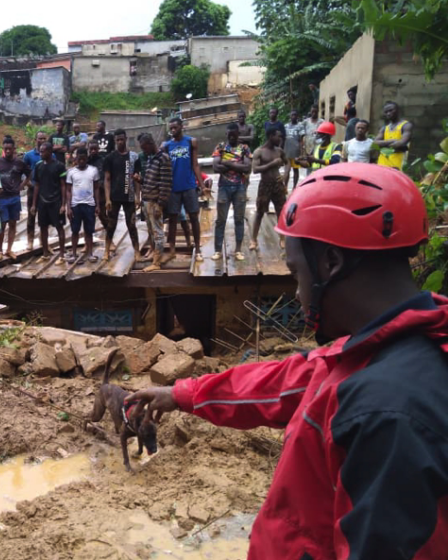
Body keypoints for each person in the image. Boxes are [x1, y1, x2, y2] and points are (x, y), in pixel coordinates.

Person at [128, 162, 448, 559]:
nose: (297, 293)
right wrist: (181, 393)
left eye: (296, 272)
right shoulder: (374, 352)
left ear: (330, 263)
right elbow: (277, 384)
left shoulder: (387, 414)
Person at [163, 117, 203, 263]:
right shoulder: (166, 146)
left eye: (175, 127)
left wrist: (202, 185)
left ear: (181, 127)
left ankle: (197, 248)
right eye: (171, 128)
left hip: (189, 186)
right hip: (173, 188)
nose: (173, 130)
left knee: (193, 217)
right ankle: (172, 249)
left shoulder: (190, 142)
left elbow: (195, 165)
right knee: (173, 219)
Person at [211, 123, 253, 261]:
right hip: (224, 187)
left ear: (238, 135)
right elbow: (216, 167)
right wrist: (238, 165)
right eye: (230, 135)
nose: (232, 138)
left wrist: (227, 163)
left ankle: (238, 250)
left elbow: (247, 168)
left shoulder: (245, 148)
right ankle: (217, 250)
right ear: (226, 135)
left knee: (239, 219)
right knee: (220, 220)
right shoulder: (220, 147)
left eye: (234, 135)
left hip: (240, 187)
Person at [103, 129, 141, 262]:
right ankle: (106, 250)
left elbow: (137, 179)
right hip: (114, 197)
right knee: (111, 226)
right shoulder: (109, 158)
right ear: (115, 141)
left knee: (131, 225)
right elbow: (107, 179)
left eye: (122, 139)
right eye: (117, 140)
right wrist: (107, 199)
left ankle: (137, 251)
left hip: (129, 196)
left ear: (126, 139)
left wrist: (138, 196)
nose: (120, 142)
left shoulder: (134, 157)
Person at [0, 136, 31, 259]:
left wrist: (22, 186)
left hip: (15, 198)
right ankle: (0, 250)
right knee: (2, 225)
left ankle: (9, 249)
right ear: (3, 149)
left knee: (13, 224)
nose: (8, 151)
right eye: (5, 149)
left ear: (14, 149)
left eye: (10, 149)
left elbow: (29, 175)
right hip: (1, 198)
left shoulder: (20, 163)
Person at [137, 133, 173, 272]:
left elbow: (166, 183)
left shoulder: (163, 158)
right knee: (151, 231)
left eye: (144, 147)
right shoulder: (152, 158)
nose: (143, 151)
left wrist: (161, 204)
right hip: (147, 201)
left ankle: (157, 263)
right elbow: (150, 181)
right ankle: (154, 255)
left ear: (150, 144)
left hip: (155, 202)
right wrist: (140, 181)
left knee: (158, 232)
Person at [251, 127, 288, 252]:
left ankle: (282, 238)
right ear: (271, 136)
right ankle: (253, 239)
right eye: (278, 136)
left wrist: (285, 175)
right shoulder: (259, 152)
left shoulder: (279, 150)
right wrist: (271, 164)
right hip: (265, 184)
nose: (280, 139)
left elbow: (287, 162)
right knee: (260, 212)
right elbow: (255, 169)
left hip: (277, 184)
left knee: (281, 211)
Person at [31, 142, 67, 262]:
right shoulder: (38, 166)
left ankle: (62, 255)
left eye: (43, 151)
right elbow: (36, 185)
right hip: (42, 202)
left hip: (56, 202)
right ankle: (45, 253)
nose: (40, 153)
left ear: (50, 152)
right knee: (43, 227)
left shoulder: (59, 166)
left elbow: (63, 186)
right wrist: (34, 204)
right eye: (40, 151)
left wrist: (63, 204)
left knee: (59, 227)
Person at [65, 147, 99, 263]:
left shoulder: (93, 171)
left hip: (89, 205)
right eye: (79, 158)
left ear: (87, 158)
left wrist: (97, 205)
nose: (82, 161)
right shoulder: (71, 172)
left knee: (89, 231)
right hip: (75, 205)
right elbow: (68, 191)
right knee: (75, 231)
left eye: (84, 158)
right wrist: (68, 207)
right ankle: (74, 254)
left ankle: (90, 254)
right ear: (76, 158)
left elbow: (96, 189)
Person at [23, 131, 55, 251]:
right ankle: (30, 241)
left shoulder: (52, 155)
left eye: (44, 138)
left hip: (45, 191)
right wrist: (28, 183)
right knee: (31, 216)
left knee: (45, 218)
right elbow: (23, 171)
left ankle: (43, 241)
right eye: (39, 138)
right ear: (35, 140)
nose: (41, 140)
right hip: (33, 190)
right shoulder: (29, 155)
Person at [375, 101, 413, 170]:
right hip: (383, 161)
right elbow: (375, 143)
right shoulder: (384, 128)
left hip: (398, 160)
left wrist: (383, 145)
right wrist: (393, 141)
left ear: (397, 110)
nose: (388, 113)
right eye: (386, 112)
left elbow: (402, 143)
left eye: (391, 110)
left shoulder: (406, 125)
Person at [87, 139, 108, 231]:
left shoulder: (103, 161)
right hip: (88, 194)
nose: (93, 151)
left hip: (101, 193)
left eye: (95, 149)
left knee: (102, 215)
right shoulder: (86, 161)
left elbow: (107, 177)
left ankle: (109, 234)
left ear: (98, 149)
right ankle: (89, 239)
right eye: (91, 149)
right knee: (89, 217)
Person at [283, 110, 305, 189]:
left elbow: (302, 140)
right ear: (290, 116)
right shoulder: (285, 126)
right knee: (287, 170)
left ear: (297, 116)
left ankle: (294, 187)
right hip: (287, 151)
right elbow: (282, 138)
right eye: (292, 115)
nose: (293, 117)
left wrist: (302, 152)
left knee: (295, 169)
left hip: (296, 151)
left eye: (295, 115)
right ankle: (285, 186)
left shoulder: (300, 126)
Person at [302, 105, 324, 177]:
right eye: (312, 112)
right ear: (310, 112)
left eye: (315, 112)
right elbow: (302, 135)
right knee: (309, 165)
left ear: (318, 111)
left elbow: (325, 135)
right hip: (308, 148)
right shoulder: (306, 122)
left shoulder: (322, 122)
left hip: (318, 148)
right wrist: (303, 148)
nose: (314, 113)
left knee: (317, 166)